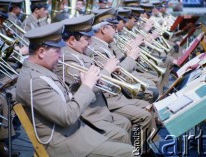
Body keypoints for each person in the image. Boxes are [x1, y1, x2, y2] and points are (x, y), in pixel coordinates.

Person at [16, 22, 135, 157]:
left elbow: (63, 98)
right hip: (67, 143)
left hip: (77, 132)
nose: (61, 55)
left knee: (124, 134)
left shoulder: (41, 70)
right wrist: (87, 86)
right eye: (57, 51)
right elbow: (66, 117)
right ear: (41, 52)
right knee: (131, 153)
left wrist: (78, 85)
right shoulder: (34, 81)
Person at [86, 8, 159, 155]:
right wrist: (130, 57)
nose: (116, 30)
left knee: (148, 107)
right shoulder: (95, 49)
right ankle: (140, 149)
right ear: (103, 29)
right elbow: (114, 78)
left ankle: (144, 146)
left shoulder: (102, 46)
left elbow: (117, 70)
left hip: (117, 95)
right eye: (113, 27)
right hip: (111, 98)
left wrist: (127, 55)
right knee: (145, 113)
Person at [54, 14, 132, 144]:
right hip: (88, 116)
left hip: (100, 109)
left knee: (125, 124)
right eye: (87, 39)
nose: (90, 43)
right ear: (72, 40)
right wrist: (107, 70)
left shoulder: (78, 52)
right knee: (122, 134)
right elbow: (91, 87)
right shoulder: (67, 58)